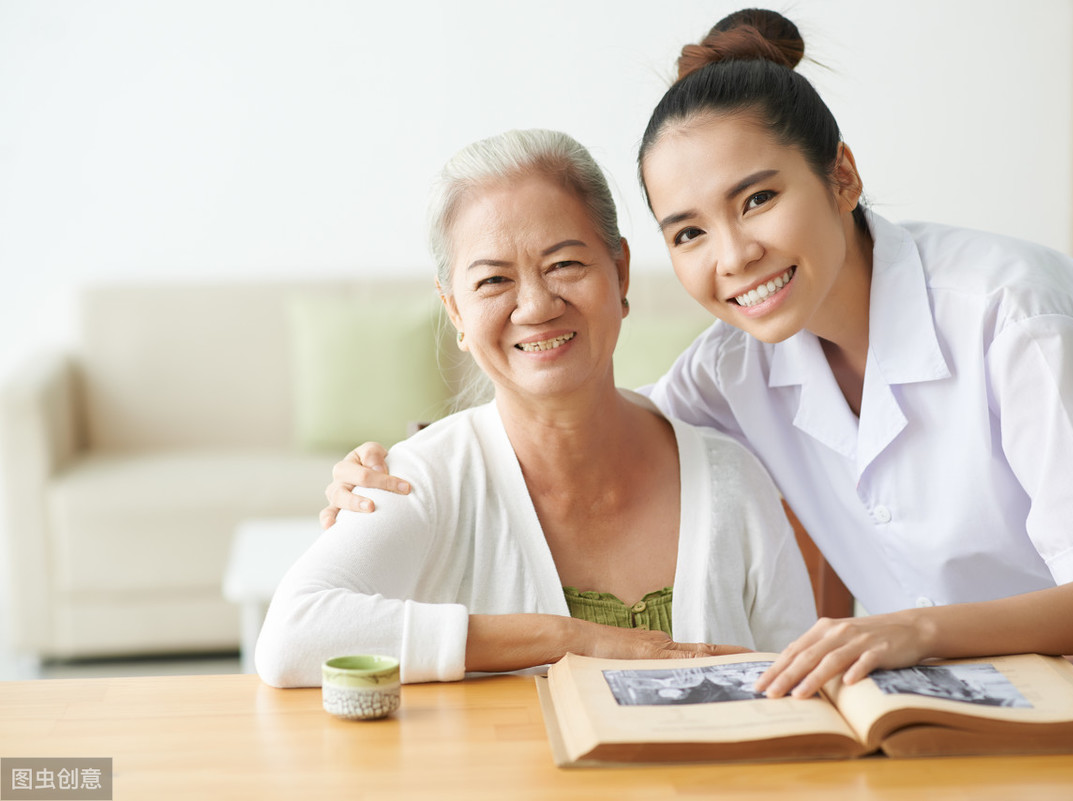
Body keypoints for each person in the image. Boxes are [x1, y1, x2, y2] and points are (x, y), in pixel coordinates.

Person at [320, 9, 1073, 698]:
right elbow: (588, 418)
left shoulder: (1013, 311)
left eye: (758, 198)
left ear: (842, 176)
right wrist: (402, 459)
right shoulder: (732, 370)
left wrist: (905, 631)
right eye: (690, 231)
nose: (732, 255)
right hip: (974, 690)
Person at [253, 128, 817, 688]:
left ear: (620, 271)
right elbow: (291, 637)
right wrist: (567, 638)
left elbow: (802, 690)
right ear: (455, 312)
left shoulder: (730, 476)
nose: (537, 306)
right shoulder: (419, 479)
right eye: (494, 279)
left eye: (565, 264)